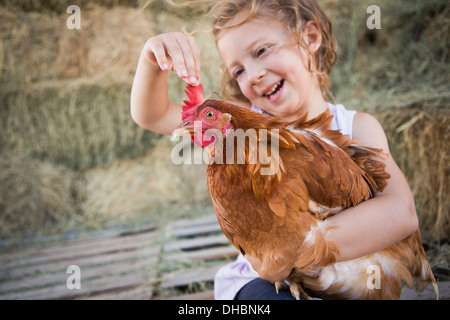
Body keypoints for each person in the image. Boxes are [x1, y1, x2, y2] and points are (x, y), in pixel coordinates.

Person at [130, 0, 419, 300]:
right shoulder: (242, 127)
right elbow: (152, 114)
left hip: (347, 275)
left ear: (310, 38)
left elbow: (402, 212)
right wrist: (152, 60)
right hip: (266, 282)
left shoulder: (356, 127)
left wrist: (292, 253)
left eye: (261, 51)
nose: (252, 74)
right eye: (238, 71)